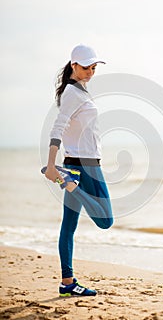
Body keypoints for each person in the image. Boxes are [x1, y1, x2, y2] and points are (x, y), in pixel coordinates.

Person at [43, 44, 113, 297]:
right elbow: (57, 128)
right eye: (85, 68)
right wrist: (51, 165)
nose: (90, 72)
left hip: (76, 164)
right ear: (73, 65)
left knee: (68, 226)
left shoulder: (79, 91)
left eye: (94, 68)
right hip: (84, 166)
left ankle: (67, 283)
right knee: (106, 221)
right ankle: (70, 183)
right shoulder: (73, 93)